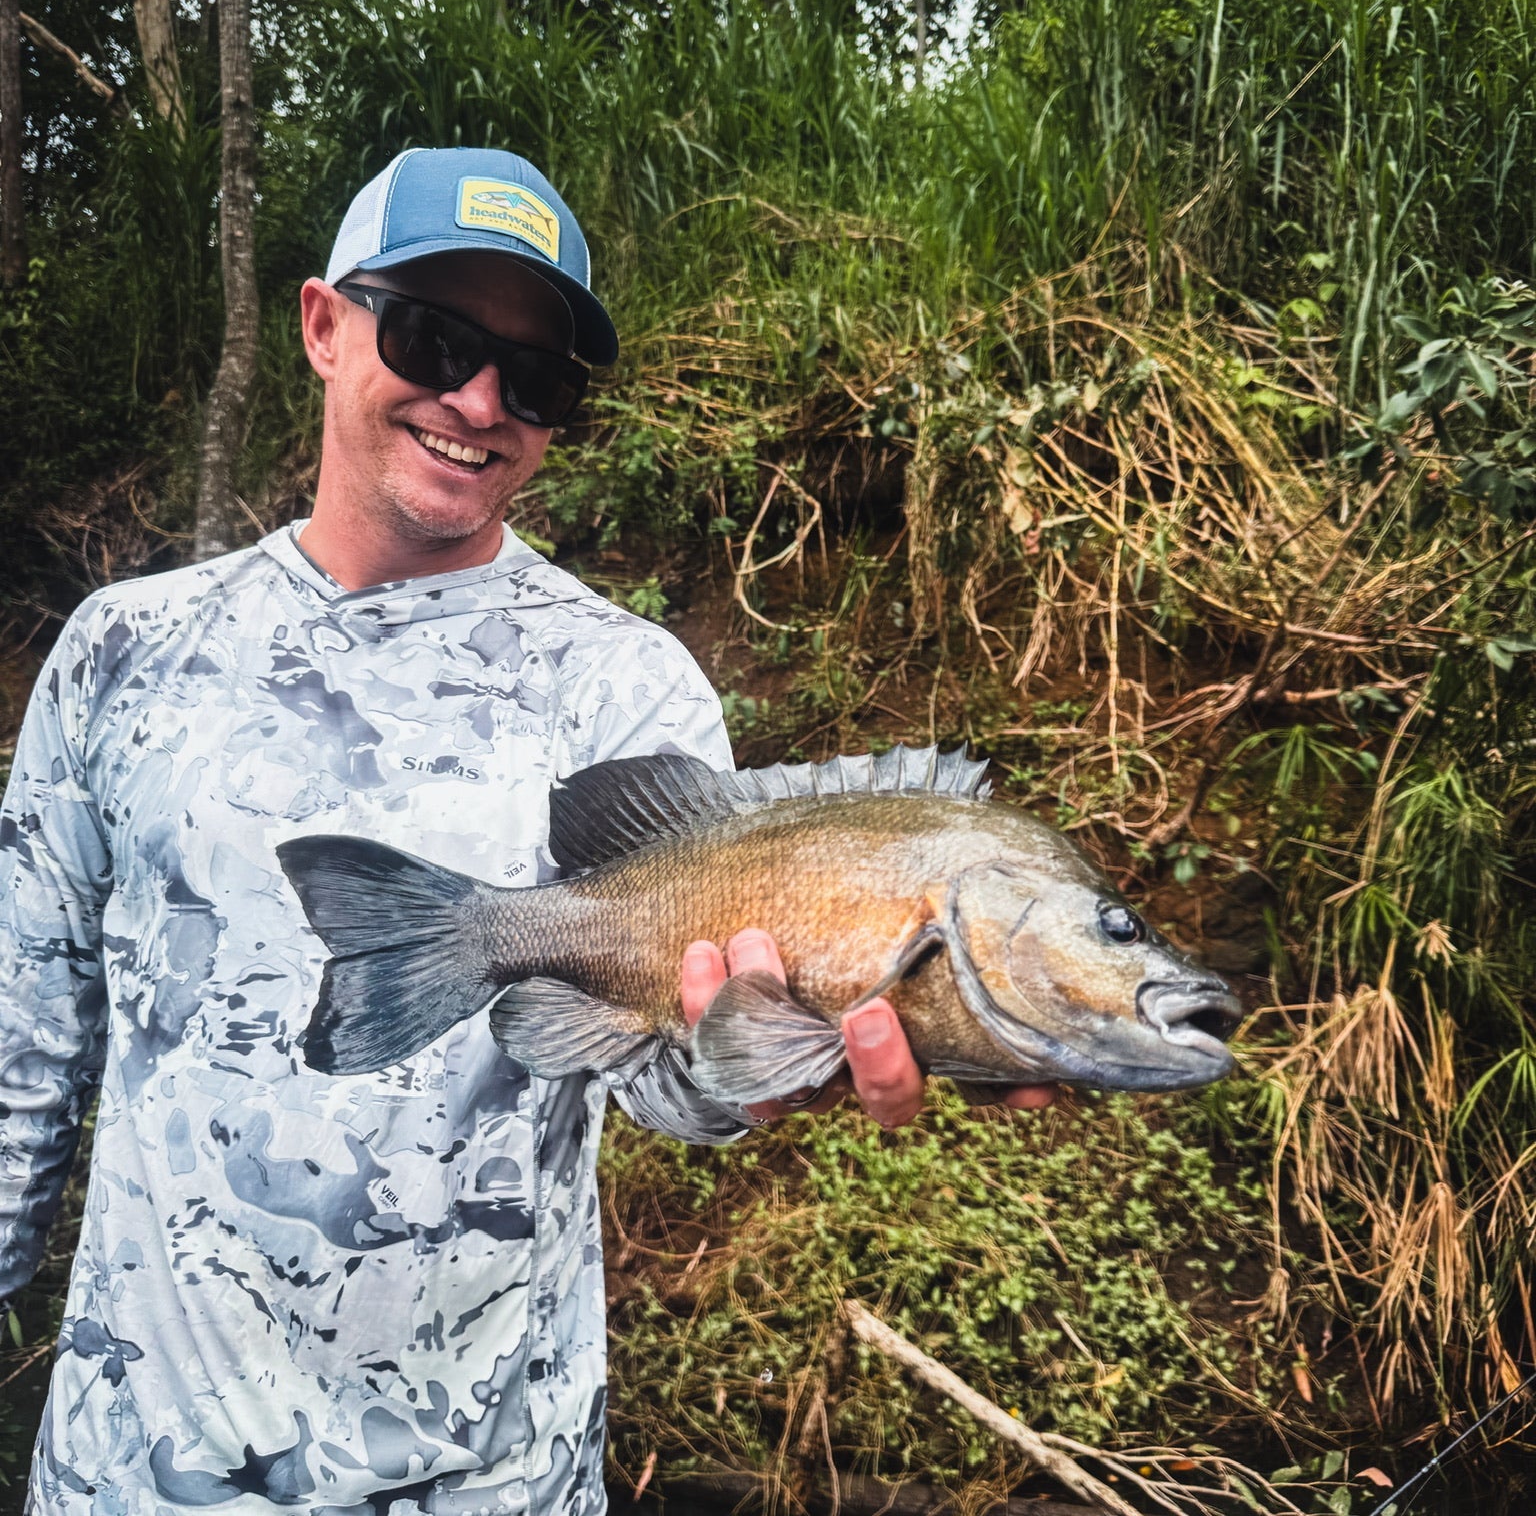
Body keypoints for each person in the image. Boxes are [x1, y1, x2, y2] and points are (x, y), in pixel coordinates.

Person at [0, 146, 1053, 1514]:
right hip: (136, 1474)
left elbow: (657, 1085)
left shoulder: (625, 687)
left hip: (493, 1479)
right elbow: (22, 1052)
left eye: (537, 379)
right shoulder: (123, 653)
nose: (480, 401)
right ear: (324, 327)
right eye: (436, 337)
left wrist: (770, 1054)